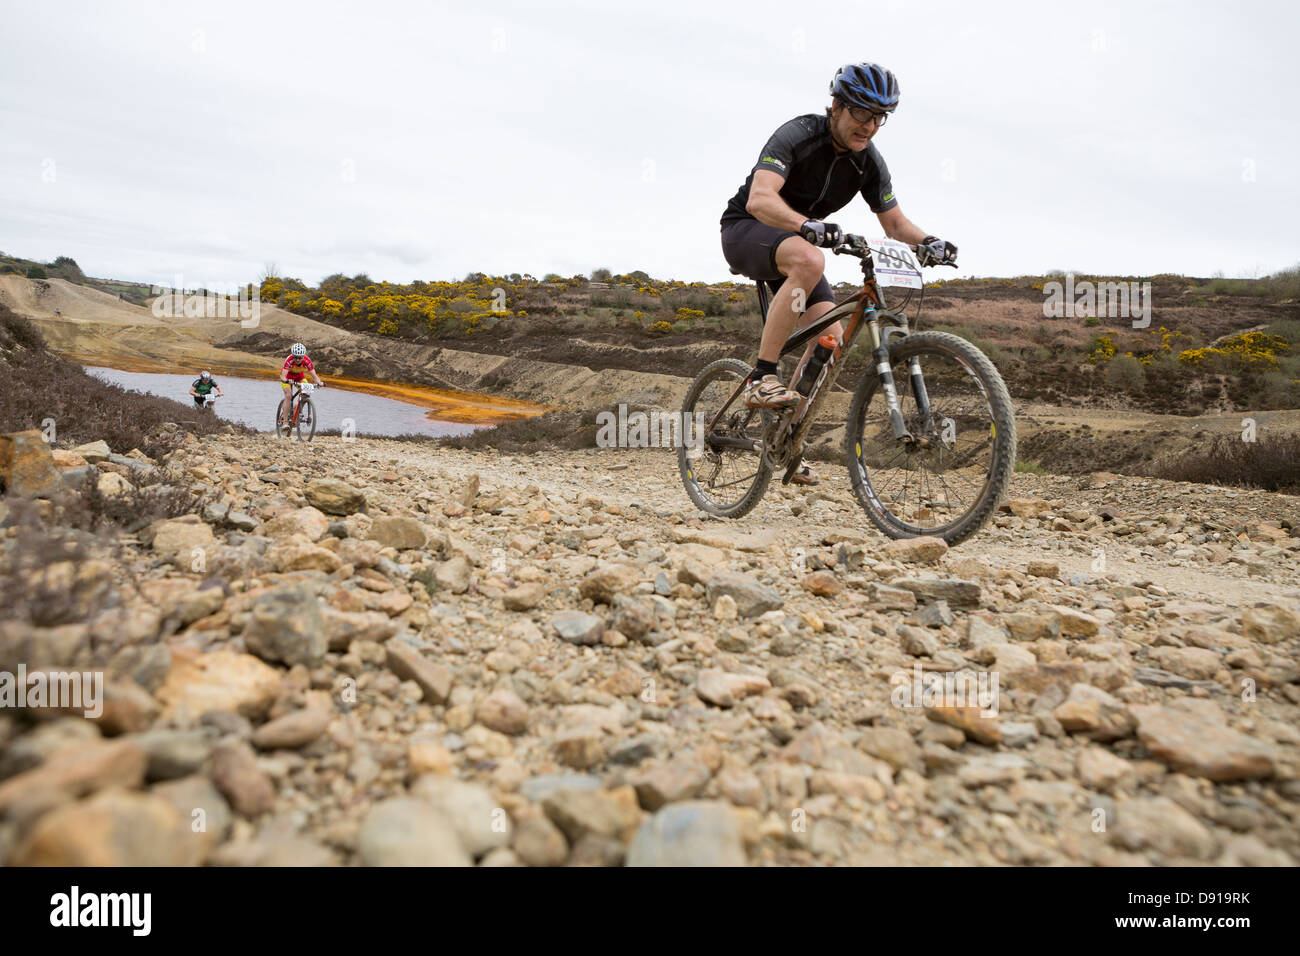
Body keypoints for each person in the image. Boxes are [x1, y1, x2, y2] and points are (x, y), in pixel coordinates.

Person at [720, 61, 958, 484]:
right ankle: (762, 376)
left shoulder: (869, 163)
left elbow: (895, 225)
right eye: (862, 113)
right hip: (747, 231)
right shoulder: (797, 134)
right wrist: (805, 225)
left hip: (796, 246)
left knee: (828, 339)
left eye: (879, 117)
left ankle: (783, 439)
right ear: (837, 106)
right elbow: (760, 199)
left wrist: (928, 242)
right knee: (811, 259)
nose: (869, 126)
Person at [279, 342, 324, 422]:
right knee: (289, 395)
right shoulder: (289, 360)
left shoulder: (307, 360)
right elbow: (283, 376)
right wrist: (286, 380)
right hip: (287, 378)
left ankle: (297, 410)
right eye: (295, 357)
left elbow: (314, 376)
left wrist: (319, 382)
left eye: (300, 357)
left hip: (299, 377)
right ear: (293, 355)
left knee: (306, 393)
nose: (297, 360)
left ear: (303, 356)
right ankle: (285, 422)